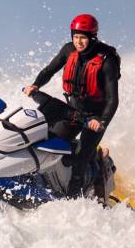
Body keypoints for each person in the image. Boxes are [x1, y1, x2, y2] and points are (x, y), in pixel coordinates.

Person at [23, 13, 121, 199]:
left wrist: (102, 121)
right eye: (75, 37)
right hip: (73, 112)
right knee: (49, 141)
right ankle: (37, 178)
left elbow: (112, 99)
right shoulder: (69, 51)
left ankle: (73, 197)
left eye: (83, 38)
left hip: (95, 117)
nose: (79, 42)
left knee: (79, 160)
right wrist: (35, 85)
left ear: (92, 37)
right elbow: (49, 70)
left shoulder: (107, 61)